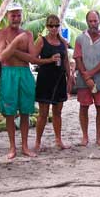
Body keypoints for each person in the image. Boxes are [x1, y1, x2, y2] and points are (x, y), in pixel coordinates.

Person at [0, 3, 59, 158]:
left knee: (25, 111)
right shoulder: (1, 33)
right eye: (13, 15)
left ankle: (24, 146)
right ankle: (12, 147)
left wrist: (13, 49)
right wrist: (17, 42)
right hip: (8, 73)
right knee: (10, 113)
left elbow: (32, 58)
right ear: (7, 16)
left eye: (18, 15)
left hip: (25, 73)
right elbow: (2, 57)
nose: (16, 18)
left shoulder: (28, 34)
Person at [73, 10, 100, 147]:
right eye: (90, 21)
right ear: (87, 22)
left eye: (95, 20)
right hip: (83, 80)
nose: (93, 24)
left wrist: (90, 74)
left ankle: (99, 137)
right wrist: (86, 76)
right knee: (83, 107)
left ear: (99, 21)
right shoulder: (80, 38)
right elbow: (78, 58)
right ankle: (85, 137)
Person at [33, 14, 71, 151]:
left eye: (56, 25)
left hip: (59, 78)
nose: (54, 28)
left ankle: (58, 139)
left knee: (57, 112)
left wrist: (69, 77)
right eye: (51, 25)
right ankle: (37, 141)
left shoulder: (63, 42)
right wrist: (48, 60)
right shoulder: (41, 41)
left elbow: (66, 61)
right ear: (47, 26)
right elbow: (33, 59)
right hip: (45, 78)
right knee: (43, 113)